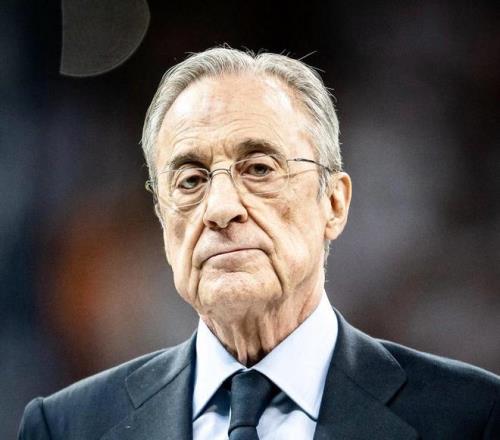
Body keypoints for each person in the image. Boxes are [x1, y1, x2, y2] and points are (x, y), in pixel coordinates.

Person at [19, 47, 499, 440]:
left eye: (259, 169)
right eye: (190, 180)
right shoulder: (65, 427)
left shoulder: (472, 416)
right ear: (162, 219)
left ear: (334, 203)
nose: (220, 207)